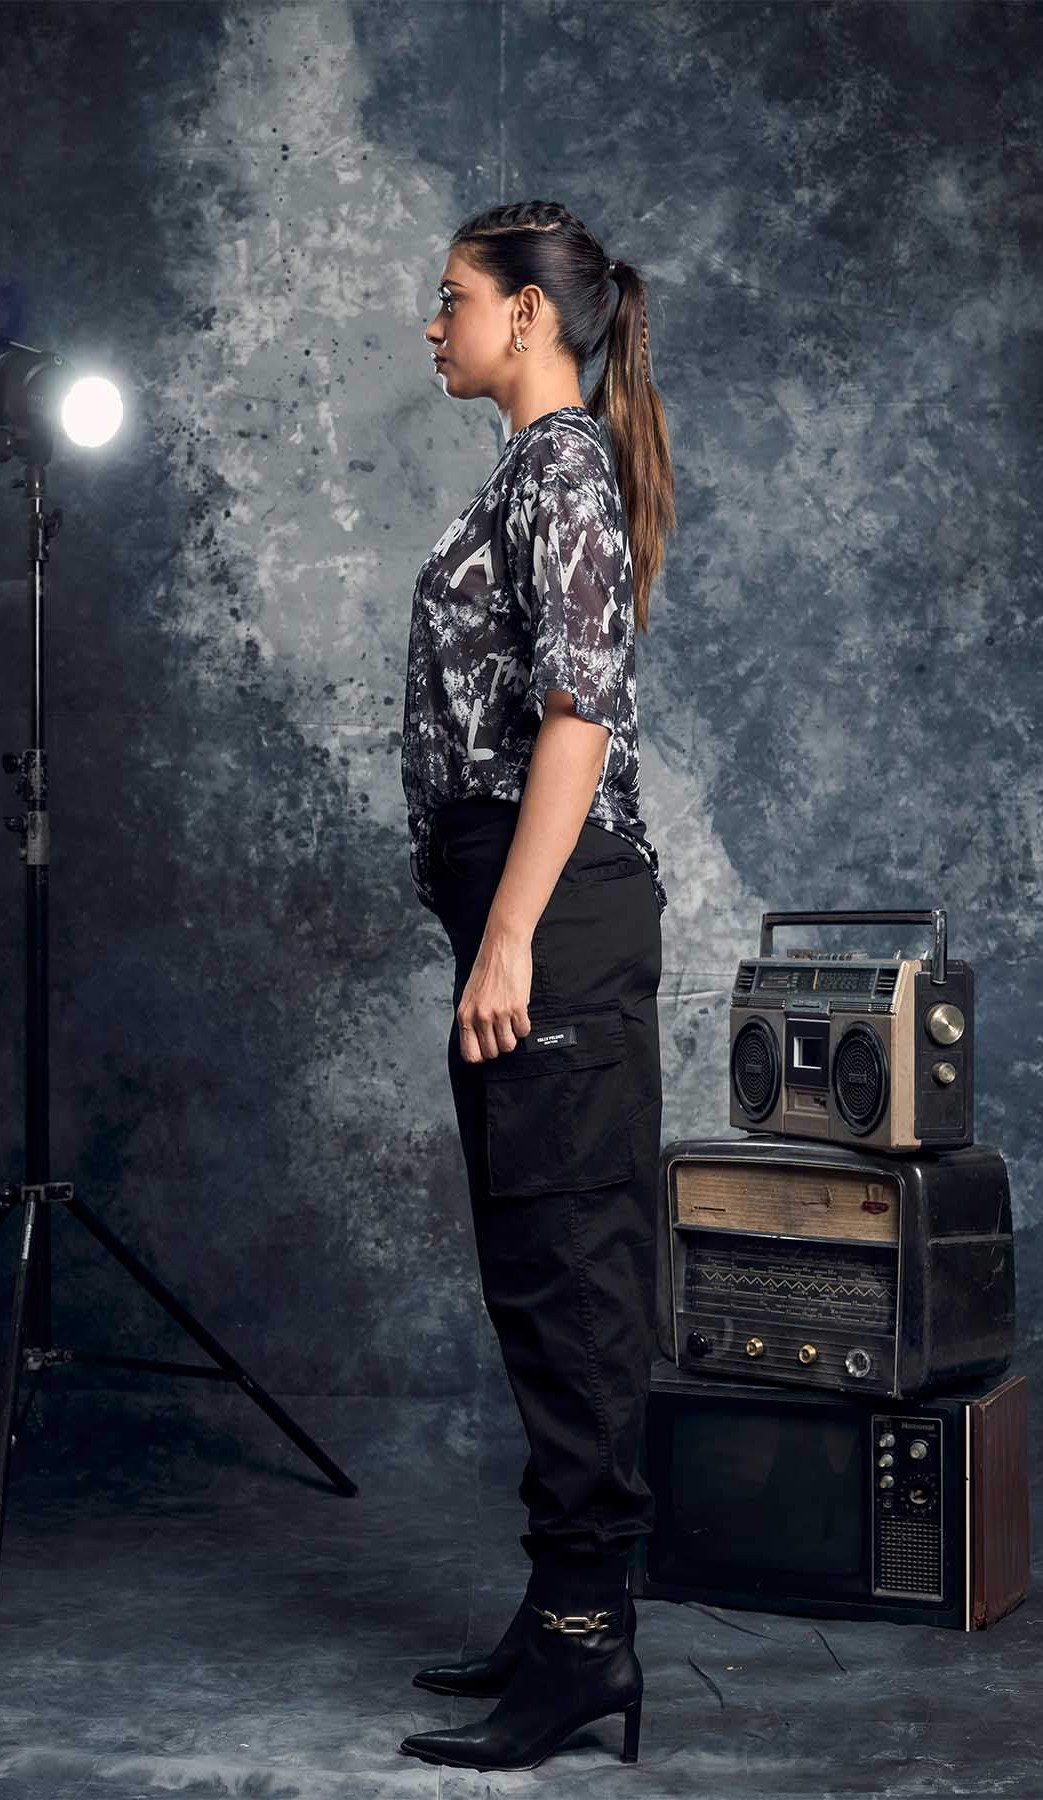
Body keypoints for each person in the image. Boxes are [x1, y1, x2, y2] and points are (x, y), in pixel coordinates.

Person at [397, 199, 676, 1773]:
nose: (432, 325)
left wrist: (509, 932)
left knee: (572, 1276)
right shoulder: (532, 469)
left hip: (552, 913)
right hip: (525, 905)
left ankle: (586, 1642)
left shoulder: (561, 462)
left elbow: (580, 709)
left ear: (527, 316)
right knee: (536, 1263)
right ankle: (560, 1610)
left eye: (452, 297)